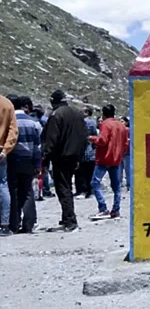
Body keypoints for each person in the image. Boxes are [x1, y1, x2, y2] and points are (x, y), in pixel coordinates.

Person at [43, 90, 87, 232]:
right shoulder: (77, 113)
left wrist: (45, 158)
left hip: (61, 157)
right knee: (68, 186)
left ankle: (70, 220)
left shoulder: (56, 115)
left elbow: (51, 140)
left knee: (63, 188)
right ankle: (66, 217)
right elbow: (84, 137)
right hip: (75, 156)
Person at [6, 96, 41, 233]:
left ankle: (13, 224)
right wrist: (37, 164)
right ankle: (29, 223)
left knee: (13, 191)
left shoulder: (9, 121)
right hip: (29, 160)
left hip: (13, 159)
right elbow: (38, 147)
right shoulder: (34, 123)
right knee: (27, 191)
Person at [89, 104, 128, 220]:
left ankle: (103, 208)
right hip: (116, 159)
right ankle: (116, 210)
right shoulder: (121, 125)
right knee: (116, 186)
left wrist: (92, 138)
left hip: (104, 158)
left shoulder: (105, 124)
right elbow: (125, 144)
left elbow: (102, 140)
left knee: (95, 183)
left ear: (103, 113)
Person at [0, 94, 19, 236]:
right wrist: (6, 150)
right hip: (1, 150)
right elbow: (13, 131)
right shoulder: (7, 104)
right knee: (2, 186)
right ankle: (4, 225)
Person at [75, 107, 98, 199]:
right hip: (91, 151)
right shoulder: (93, 122)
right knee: (90, 172)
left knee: (81, 172)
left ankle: (83, 190)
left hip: (83, 151)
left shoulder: (84, 122)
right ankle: (90, 190)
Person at [119, 116, 131, 190]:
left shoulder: (128, 130)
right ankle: (119, 185)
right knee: (119, 170)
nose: (121, 123)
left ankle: (129, 185)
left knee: (127, 170)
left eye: (122, 121)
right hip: (120, 153)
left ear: (126, 123)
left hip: (127, 153)